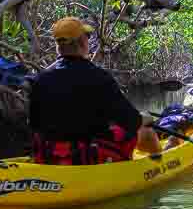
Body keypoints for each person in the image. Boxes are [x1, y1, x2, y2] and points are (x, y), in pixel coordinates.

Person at [28, 16, 161, 164]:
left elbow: (34, 124)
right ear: (82, 42)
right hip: (86, 156)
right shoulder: (100, 77)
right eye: (87, 36)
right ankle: (158, 165)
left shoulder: (40, 79)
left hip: (50, 155)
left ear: (58, 45)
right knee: (145, 130)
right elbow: (131, 121)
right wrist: (145, 119)